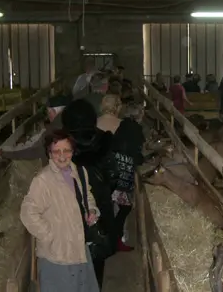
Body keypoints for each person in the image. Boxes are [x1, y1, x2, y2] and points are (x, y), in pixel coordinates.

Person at [20, 129, 100, 292]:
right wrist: (50, 236)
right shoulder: (43, 180)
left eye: (67, 150)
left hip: (79, 249)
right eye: (56, 151)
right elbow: (28, 212)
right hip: (56, 257)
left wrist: (91, 210)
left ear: (73, 151)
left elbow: (87, 195)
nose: (62, 156)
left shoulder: (80, 172)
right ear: (49, 153)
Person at [61, 99, 119, 288]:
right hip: (99, 209)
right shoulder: (104, 141)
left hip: (69, 213)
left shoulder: (62, 147)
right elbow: (113, 175)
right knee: (97, 258)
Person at [0, 95, 70, 165]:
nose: (48, 116)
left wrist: (3, 152)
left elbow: (30, 149)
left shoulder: (52, 131)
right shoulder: (72, 123)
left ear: (52, 111)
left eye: (48, 112)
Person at [109, 102, 146, 251]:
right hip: (124, 172)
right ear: (139, 115)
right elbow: (136, 154)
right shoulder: (136, 129)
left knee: (117, 206)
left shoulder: (123, 125)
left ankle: (114, 238)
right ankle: (115, 240)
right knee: (125, 207)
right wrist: (144, 160)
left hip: (114, 169)